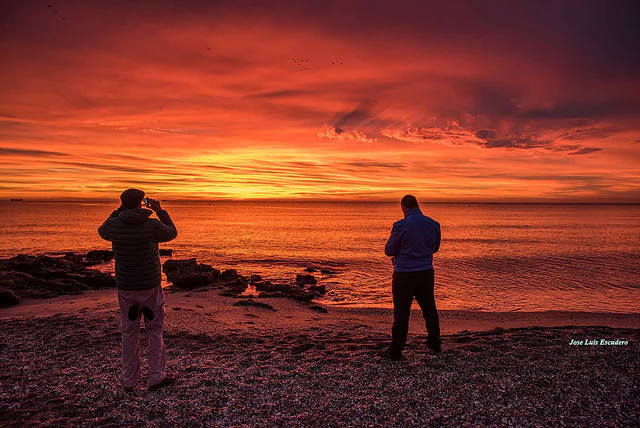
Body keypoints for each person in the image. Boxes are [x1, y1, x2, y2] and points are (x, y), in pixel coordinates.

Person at [98, 188, 178, 392]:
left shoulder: (115, 224)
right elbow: (171, 232)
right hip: (149, 286)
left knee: (129, 331)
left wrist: (120, 210)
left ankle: (129, 380)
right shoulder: (151, 224)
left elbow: (102, 231)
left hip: (126, 287)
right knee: (154, 330)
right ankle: (156, 377)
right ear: (142, 202)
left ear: (123, 203)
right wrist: (159, 210)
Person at [381, 195, 441, 361]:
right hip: (425, 272)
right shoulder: (433, 224)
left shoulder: (400, 225)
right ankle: (434, 343)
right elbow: (435, 248)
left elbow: (389, 250)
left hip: (404, 274)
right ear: (417, 205)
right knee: (429, 309)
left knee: (401, 313)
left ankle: (396, 349)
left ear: (403, 208)